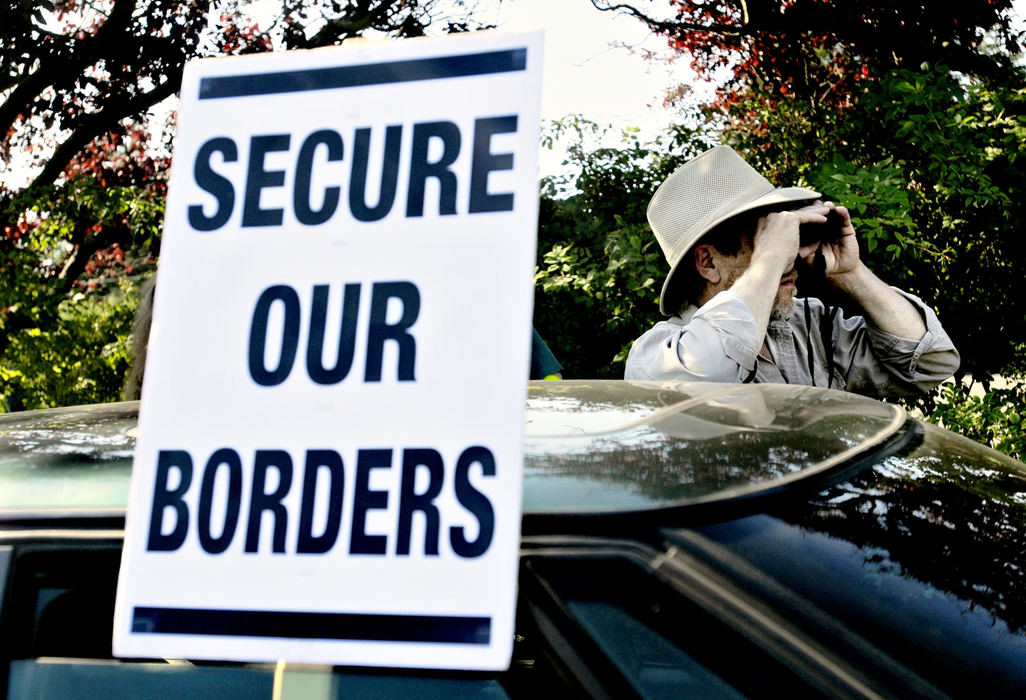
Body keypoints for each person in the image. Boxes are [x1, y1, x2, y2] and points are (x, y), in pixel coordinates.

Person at [625, 145, 959, 398]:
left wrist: (850, 272)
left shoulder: (811, 326)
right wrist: (771, 258)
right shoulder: (658, 356)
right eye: (768, 237)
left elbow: (931, 364)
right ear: (708, 263)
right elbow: (709, 374)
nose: (790, 256)